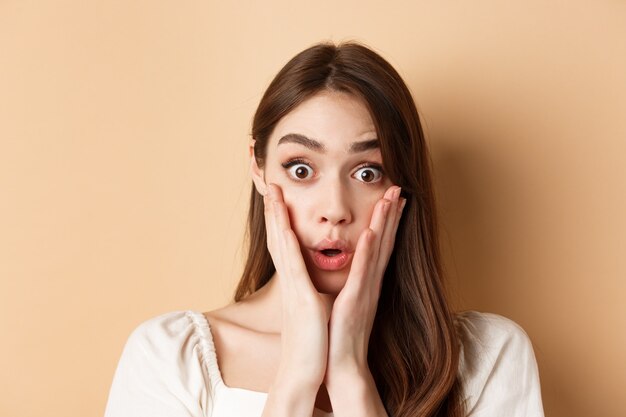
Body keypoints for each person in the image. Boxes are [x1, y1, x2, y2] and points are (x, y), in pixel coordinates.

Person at [104, 41, 545, 417]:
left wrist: (351, 374)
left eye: (368, 173)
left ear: (403, 184)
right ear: (258, 169)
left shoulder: (488, 355)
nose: (334, 210)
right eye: (300, 169)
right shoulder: (169, 356)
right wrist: (298, 372)